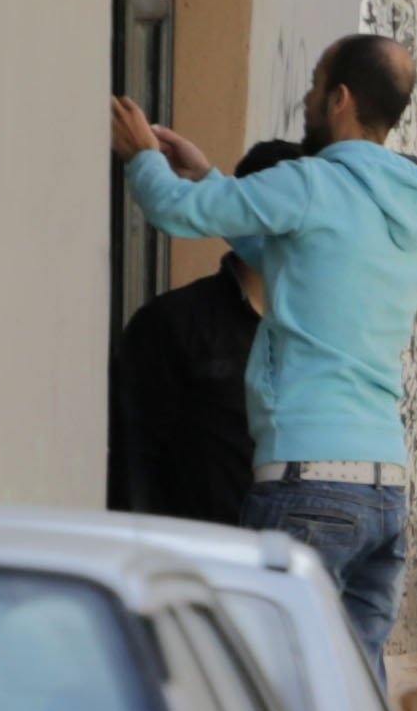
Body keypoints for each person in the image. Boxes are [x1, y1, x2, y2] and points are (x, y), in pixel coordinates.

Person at [110, 34, 417, 651]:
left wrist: (142, 157)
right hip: (383, 494)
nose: (307, 96)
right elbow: (287, 260)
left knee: (270, 684)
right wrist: (208, 173)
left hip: (307, 481)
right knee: (350, 699)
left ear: (339, 99)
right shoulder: (408, 204)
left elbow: (177, 214)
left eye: (315, 84)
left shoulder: (313, 182)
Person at [107, 137, 305, 525]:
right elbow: (134, 460)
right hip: (198, 564)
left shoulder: (324, 336)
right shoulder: (174, 323)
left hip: (294, 568)